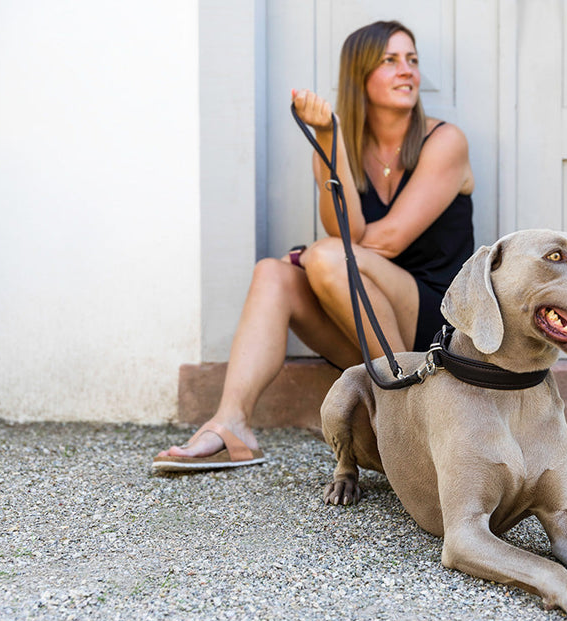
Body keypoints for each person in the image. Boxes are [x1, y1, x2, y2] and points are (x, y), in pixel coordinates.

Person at [153, 20, 475, 470]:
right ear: (358, 75)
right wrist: (330, 139)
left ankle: (407, 416)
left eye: (413, 60)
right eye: (390, 61)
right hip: (371, 329)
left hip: (435, 326)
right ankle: (232, 424)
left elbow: (385, 240)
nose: (408, 71)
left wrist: (316, 257)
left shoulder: (445, 142)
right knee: (273, 274)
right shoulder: (338, 145)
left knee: (324, 256)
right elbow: (350, 231)